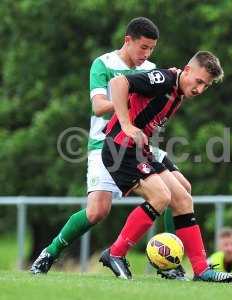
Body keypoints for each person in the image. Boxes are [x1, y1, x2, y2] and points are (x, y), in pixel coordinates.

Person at [30, 17, 189, 280]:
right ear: (128, 41)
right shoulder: (103, 65)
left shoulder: (151, 69)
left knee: (181, 190)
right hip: (106, 144)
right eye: (143, 47)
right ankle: (50, 252)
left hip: (140, 145)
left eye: (151, 49)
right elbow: (99, 106)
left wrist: (177, 81)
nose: (147, 55)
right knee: (97, 211)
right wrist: (128, 97)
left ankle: (169, 263)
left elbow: (164, 101)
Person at [98, 51, 232, 283]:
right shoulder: (163, 79)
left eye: (207, 86)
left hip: (140, 151)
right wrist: (126, 124)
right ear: (188, 70)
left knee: (183, 196)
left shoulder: (179, 90)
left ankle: (202, 270)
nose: (200, 89)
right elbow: (118, 82)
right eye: (199, 82)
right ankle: (115, 253)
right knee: (161, 196)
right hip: (120, 149)